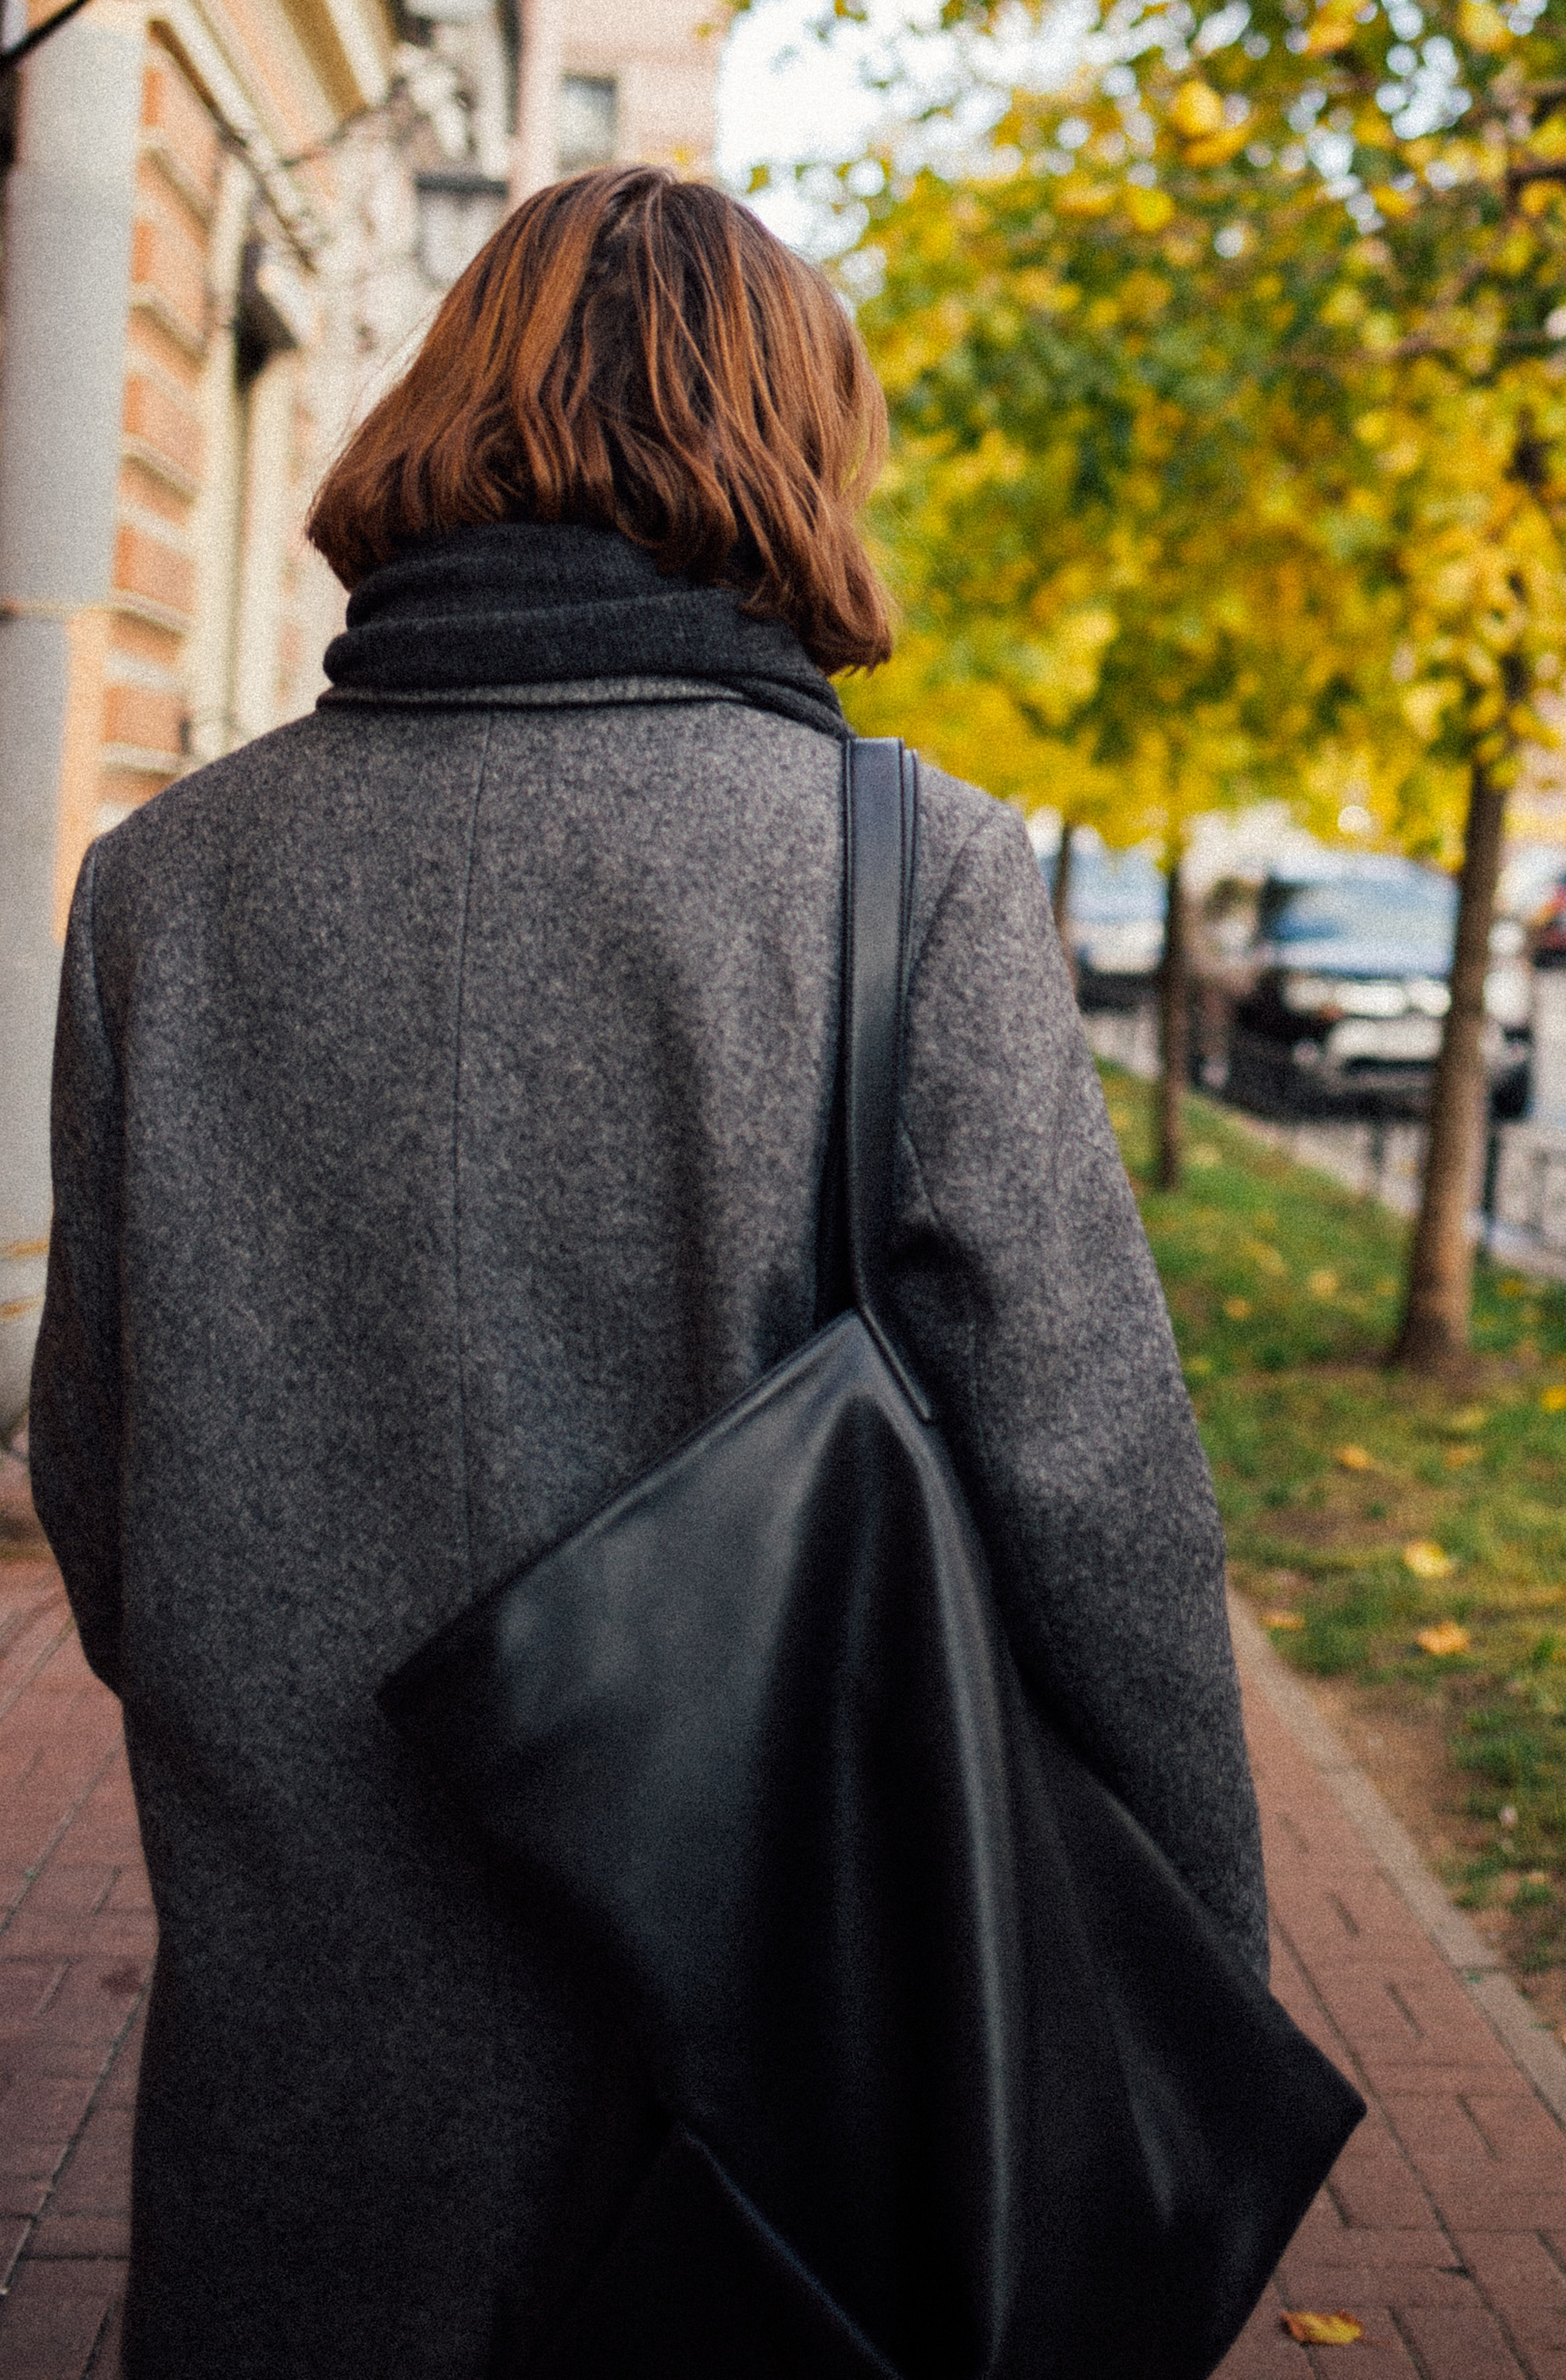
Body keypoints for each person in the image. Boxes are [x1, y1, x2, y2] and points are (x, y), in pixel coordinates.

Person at [29, 162, 1265, 2380]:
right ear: (792, 455)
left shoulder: (163, 884)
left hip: (307, 2075)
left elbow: (104, 1514)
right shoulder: (907, 876)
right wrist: (1191, 1975)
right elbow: (1095, 1499)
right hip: (776, 2084)